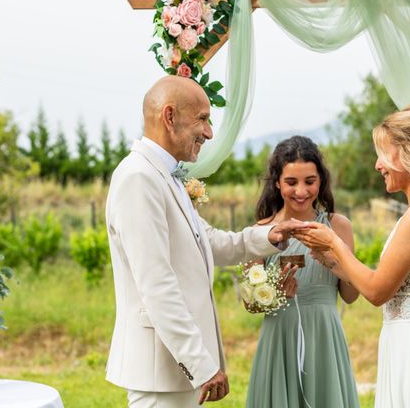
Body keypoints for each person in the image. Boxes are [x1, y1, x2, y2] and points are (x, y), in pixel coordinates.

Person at [104, 75, 303, 407]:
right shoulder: (138, 178)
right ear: (170, 117)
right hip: (160, 370)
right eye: (203, 119)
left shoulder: (165, 176)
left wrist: (268, 236)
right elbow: (157, 285)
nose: (209, 133)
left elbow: (207, 241)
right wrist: (201, 365)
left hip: (172, 373)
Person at [295, 104, 410, 407]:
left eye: (383, 153)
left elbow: (377, 292)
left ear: (408, 154)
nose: (378, 165)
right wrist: (333, 263)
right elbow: (392, 285)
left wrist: (334, 242)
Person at [246, 136, 360, 408]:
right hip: (279, 339)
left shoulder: (338, 226)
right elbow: (250, 303)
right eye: (291, 182)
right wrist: (272, 296)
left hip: (324, 336)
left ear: (321, 181)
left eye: (309, 181)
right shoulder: (259, 231)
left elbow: (351, 295)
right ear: (277, 182)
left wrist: (334, 260)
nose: (301, 191)